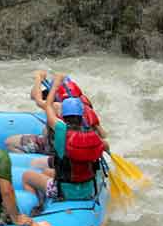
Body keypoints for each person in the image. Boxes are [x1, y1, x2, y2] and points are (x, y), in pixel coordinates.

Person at [21, 74, 107, 210]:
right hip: (87, 189)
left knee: (27, 176)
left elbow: (48, 106)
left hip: (65, 192)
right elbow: (105, 145)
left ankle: (36, 207)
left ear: (64, 115)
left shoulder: (61, 130)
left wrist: (54, 86)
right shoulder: (94, 137)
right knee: (46, 172)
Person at [7, 71, 107, 153]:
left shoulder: (56, 107)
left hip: (57, 148)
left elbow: (36, 98)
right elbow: (103, 135)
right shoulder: (86, 107)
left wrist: (38, 78)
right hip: (80, 147)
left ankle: (31, 163)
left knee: (10, 142)